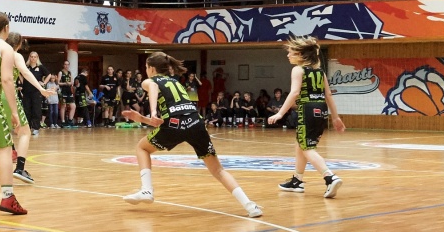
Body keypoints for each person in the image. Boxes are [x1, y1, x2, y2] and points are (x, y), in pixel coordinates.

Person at [121, 53, 262, 217]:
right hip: (196, 123)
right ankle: (250, 206)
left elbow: (153, 90)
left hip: (175, 124)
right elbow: (167, 118)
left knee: (142, 148)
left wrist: (152, 112)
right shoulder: (176, 82)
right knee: (218, 170)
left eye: (146, 67)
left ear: (151, 68)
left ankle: (147, 190)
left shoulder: (151, 81)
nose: (146, 70)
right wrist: (142, 119)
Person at [267, 36, 346, 198]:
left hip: (307, 109)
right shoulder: (320, 72)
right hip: (321, 109)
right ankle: (297, 180)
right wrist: (335, 117)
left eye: (291, 52)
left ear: (300, 54)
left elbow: (295, 92)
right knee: (301, 144)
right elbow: (328, 95)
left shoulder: (298, 70)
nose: (288, 55)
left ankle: (330, 177)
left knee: (307, 148)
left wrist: (280, 113)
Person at [0, 29, 45, 192]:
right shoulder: (14, 55)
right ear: (19, 44)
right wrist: (41, 89)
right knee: (25, 132)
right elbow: (25, 72)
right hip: (8, 96)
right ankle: (20, 168)